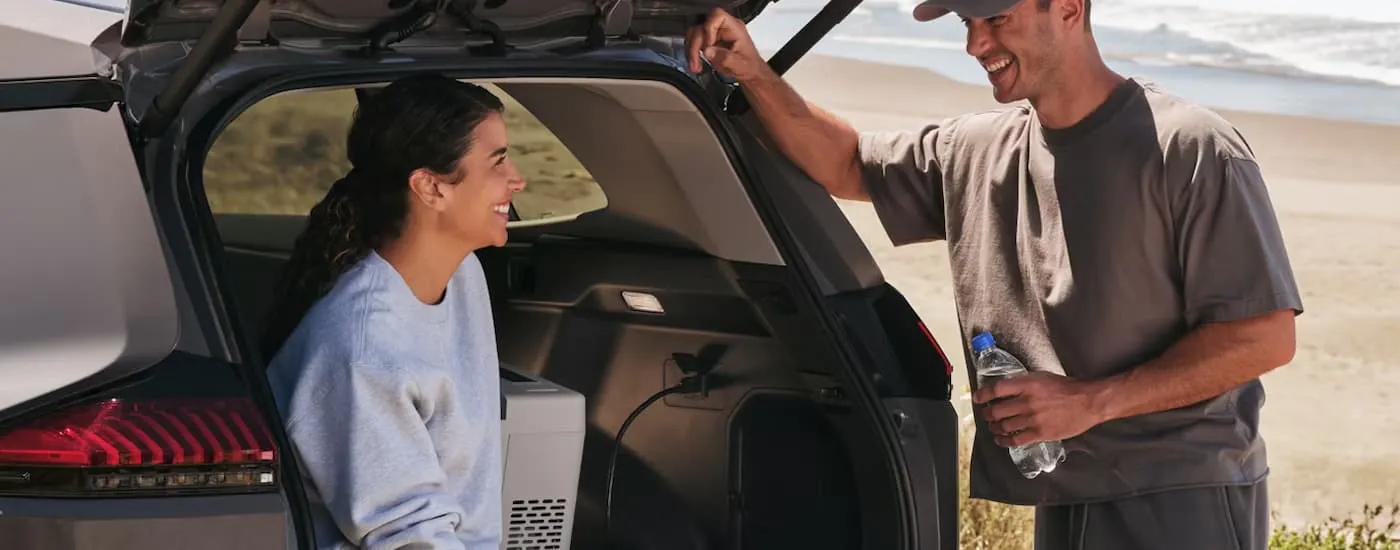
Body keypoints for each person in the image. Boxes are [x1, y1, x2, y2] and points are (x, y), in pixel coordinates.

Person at [685, 0, 1302, 548]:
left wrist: (1091, 402)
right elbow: (846, 163)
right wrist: (756, 75)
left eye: (996, 19)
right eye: (968, 23)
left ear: (1068, 8)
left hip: (1178, 501)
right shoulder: (977, 148)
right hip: (1061, 490)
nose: (976, 44)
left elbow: (1263, 335)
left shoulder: (1191, 148)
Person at [260, 73, 525, 550]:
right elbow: (407, 538)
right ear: (430, 187)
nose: (517, 179)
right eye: (498, 162)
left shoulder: (464, 276)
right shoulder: (363, 349)